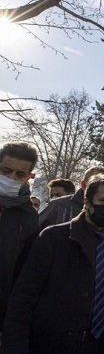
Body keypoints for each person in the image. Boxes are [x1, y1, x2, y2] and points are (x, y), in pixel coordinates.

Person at [0, 174, 104, 354]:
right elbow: (24, 296)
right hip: (52, 352)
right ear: (87, 202)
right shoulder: (54, 237)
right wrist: (14, 349)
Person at [0, 142, 39, 335]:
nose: (11, 178)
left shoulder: (29, 216)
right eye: (6, 171)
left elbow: (24, 272)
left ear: (28, 176)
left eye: (19, 174)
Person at [38, 166, 104, 230]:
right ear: (83, 184)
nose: (100, 189)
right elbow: (34, 230)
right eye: (95, 184)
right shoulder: (58, 205)